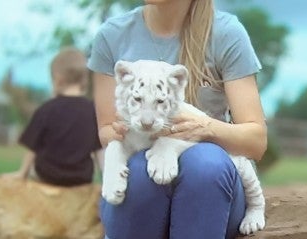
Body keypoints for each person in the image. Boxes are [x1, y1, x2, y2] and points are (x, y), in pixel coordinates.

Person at [88, 0, 267, 238]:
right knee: (140, 171)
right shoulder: (112, 35)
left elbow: (256, 142)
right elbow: (107, 130)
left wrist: (203, 128)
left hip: (210, 192)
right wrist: (126, 136)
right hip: (141, 190)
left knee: (205, 164)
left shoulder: (227, 33)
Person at [7, 47, 102, 186]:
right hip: (80, 179)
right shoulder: (94, 111)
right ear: (84, 79)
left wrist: (22, 172)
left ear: (57, 79)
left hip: (48, 177)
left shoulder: (46, 109)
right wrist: (105, 177)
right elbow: (99, 150)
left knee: (36, 172)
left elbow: (33, 147)